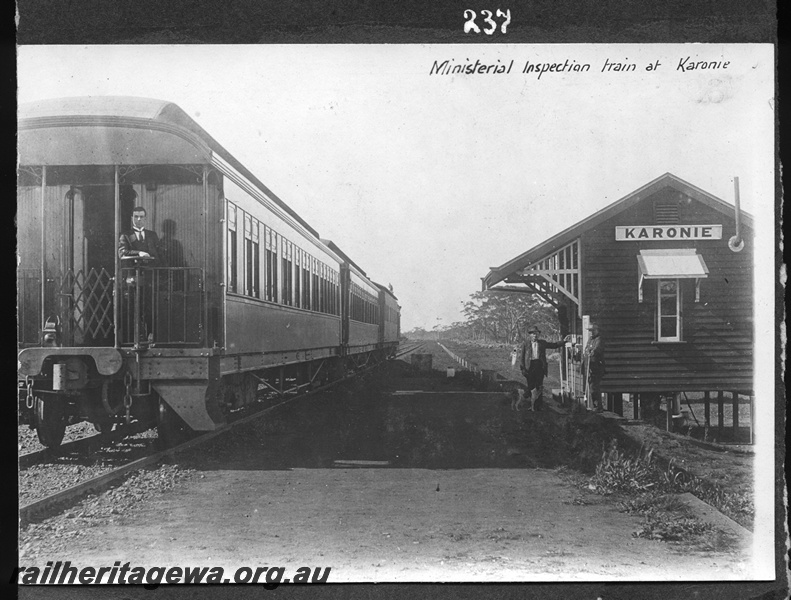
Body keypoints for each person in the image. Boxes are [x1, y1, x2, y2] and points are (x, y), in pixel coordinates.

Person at [118, 207, 160, 342]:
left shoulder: (152, 235)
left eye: (141, 217)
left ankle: (150, 335)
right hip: (133, 278)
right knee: (133, 306)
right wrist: (139, 253)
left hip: (150, 278)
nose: (139, 219)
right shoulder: (125, 235)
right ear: (132, 218)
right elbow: (122, 253)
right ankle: (133, 337)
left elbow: (158, 255)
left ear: (145, 218)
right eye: (136, 216)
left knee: (150, 306)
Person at [519, 326, 565, 411]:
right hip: (530, 366)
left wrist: (564, 342)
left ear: (538, 335)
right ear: (530, 335)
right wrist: (523, 369)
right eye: (533, 334)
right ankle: (531, 405)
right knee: (531, 386)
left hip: (539, 366)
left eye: (536, 334)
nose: (535, 336)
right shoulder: (526, 344)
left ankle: (539, 406)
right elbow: (522, 357)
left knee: (539, 386)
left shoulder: (542, 343)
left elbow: (554, 345)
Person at [583, 323, 606, 412]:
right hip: (589, 365)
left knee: (594, 386)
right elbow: (586, 349)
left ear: (597, 330)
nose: (591, 333)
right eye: (590, 331)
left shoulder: (599, 339)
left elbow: (597, 349)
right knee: (591, 385)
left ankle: (598, 406)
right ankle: (595, 405)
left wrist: (591, 352)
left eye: (593, 331)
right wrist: (587, 351)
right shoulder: (590, 339)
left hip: (597, 366)